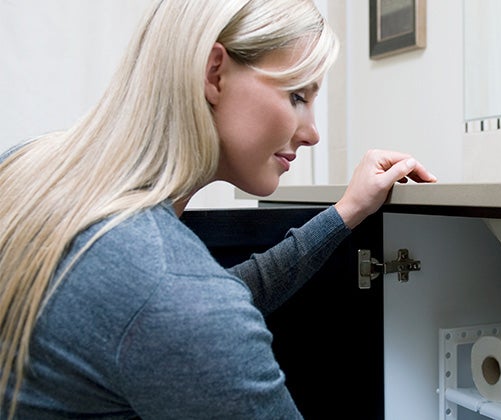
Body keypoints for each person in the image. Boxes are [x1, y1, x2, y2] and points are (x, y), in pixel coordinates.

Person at [0, 0, 436, 418]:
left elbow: (199, 302)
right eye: (297, 96)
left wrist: (346, 211)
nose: (313, 133)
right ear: (215, 74)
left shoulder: (28, 167)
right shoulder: (172, 294)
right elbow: (190, 308)